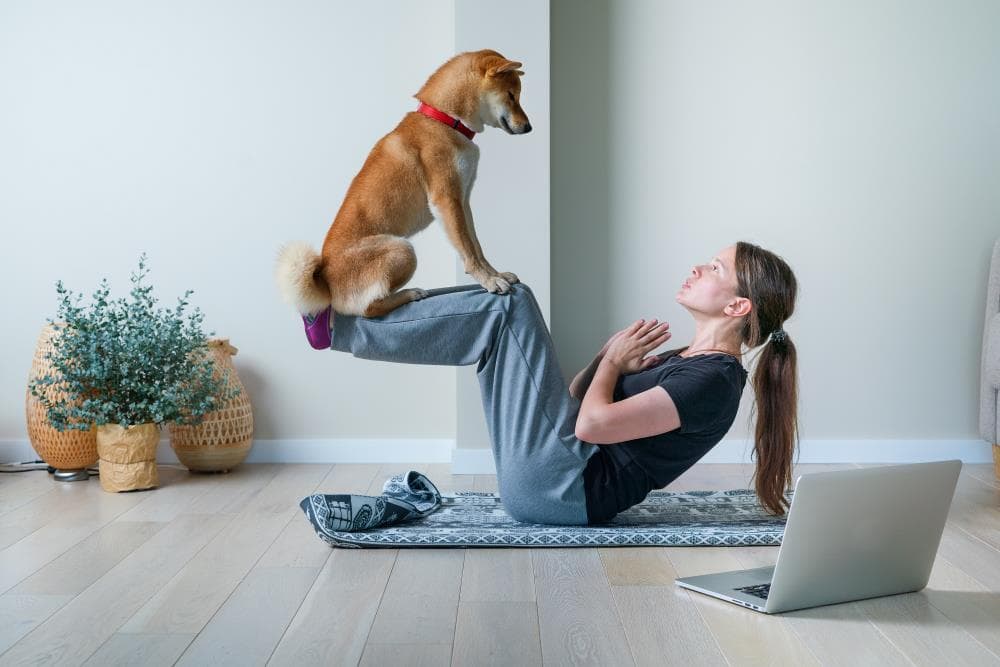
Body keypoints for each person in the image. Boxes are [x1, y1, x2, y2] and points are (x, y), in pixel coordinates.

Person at [300, 241, 798, 525]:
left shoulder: (713, 381)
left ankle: (342, 326)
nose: (697, 266)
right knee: (502, 312)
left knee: (510, 302)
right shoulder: (688, 360)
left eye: (714, 268)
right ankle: (345, 323)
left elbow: (593, 427)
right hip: (557, 477)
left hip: (564, 490)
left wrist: (612, 365)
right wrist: (607, 358)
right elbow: (577, 401)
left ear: (737, 307)